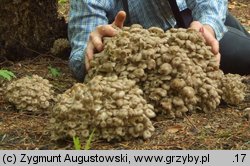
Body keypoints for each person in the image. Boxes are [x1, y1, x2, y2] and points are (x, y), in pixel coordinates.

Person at [68, 0, 250, 82]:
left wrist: (208, 26)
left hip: (196, 22)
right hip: (163, 52)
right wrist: (99, 51)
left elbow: (210, 3)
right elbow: (80, 58)